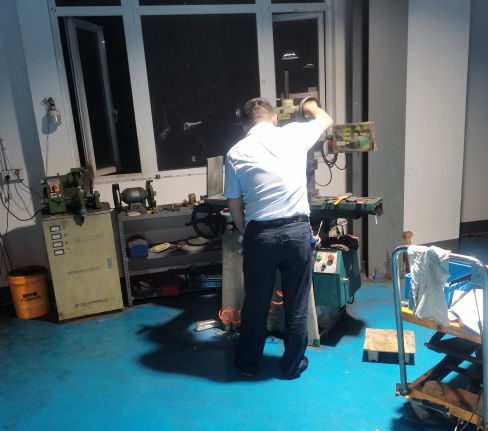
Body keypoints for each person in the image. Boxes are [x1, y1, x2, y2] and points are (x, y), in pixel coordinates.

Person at [224, 97, 333, 379]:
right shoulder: (294, 134)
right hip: (297, 233)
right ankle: (292, 365)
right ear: (274, 118)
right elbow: (325, 120)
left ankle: (248, 363)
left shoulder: (235, 152)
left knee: (256, 302)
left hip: (260, 235)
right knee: (296, 303)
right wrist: (309, 105)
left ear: (244, 125)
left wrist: (247, 231)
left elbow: (234, 204)